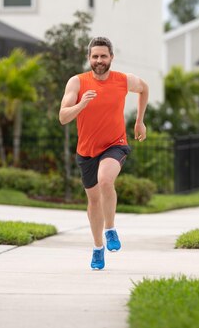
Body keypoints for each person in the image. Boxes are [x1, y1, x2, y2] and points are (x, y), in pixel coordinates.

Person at [59, 36, 149, 270]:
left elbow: (144, 88)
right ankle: (98, 247)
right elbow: (63, 117)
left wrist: (139, 121)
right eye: (95, 56)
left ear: (111, 58)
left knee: (105, 181)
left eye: (103, 56)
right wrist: (81, 105)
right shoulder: (77, 82)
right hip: (87, 151)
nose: (99, 60)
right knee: (93, 202)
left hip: (115, 143)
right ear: (89, 58)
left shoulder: (123, 80)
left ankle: (110, 230)